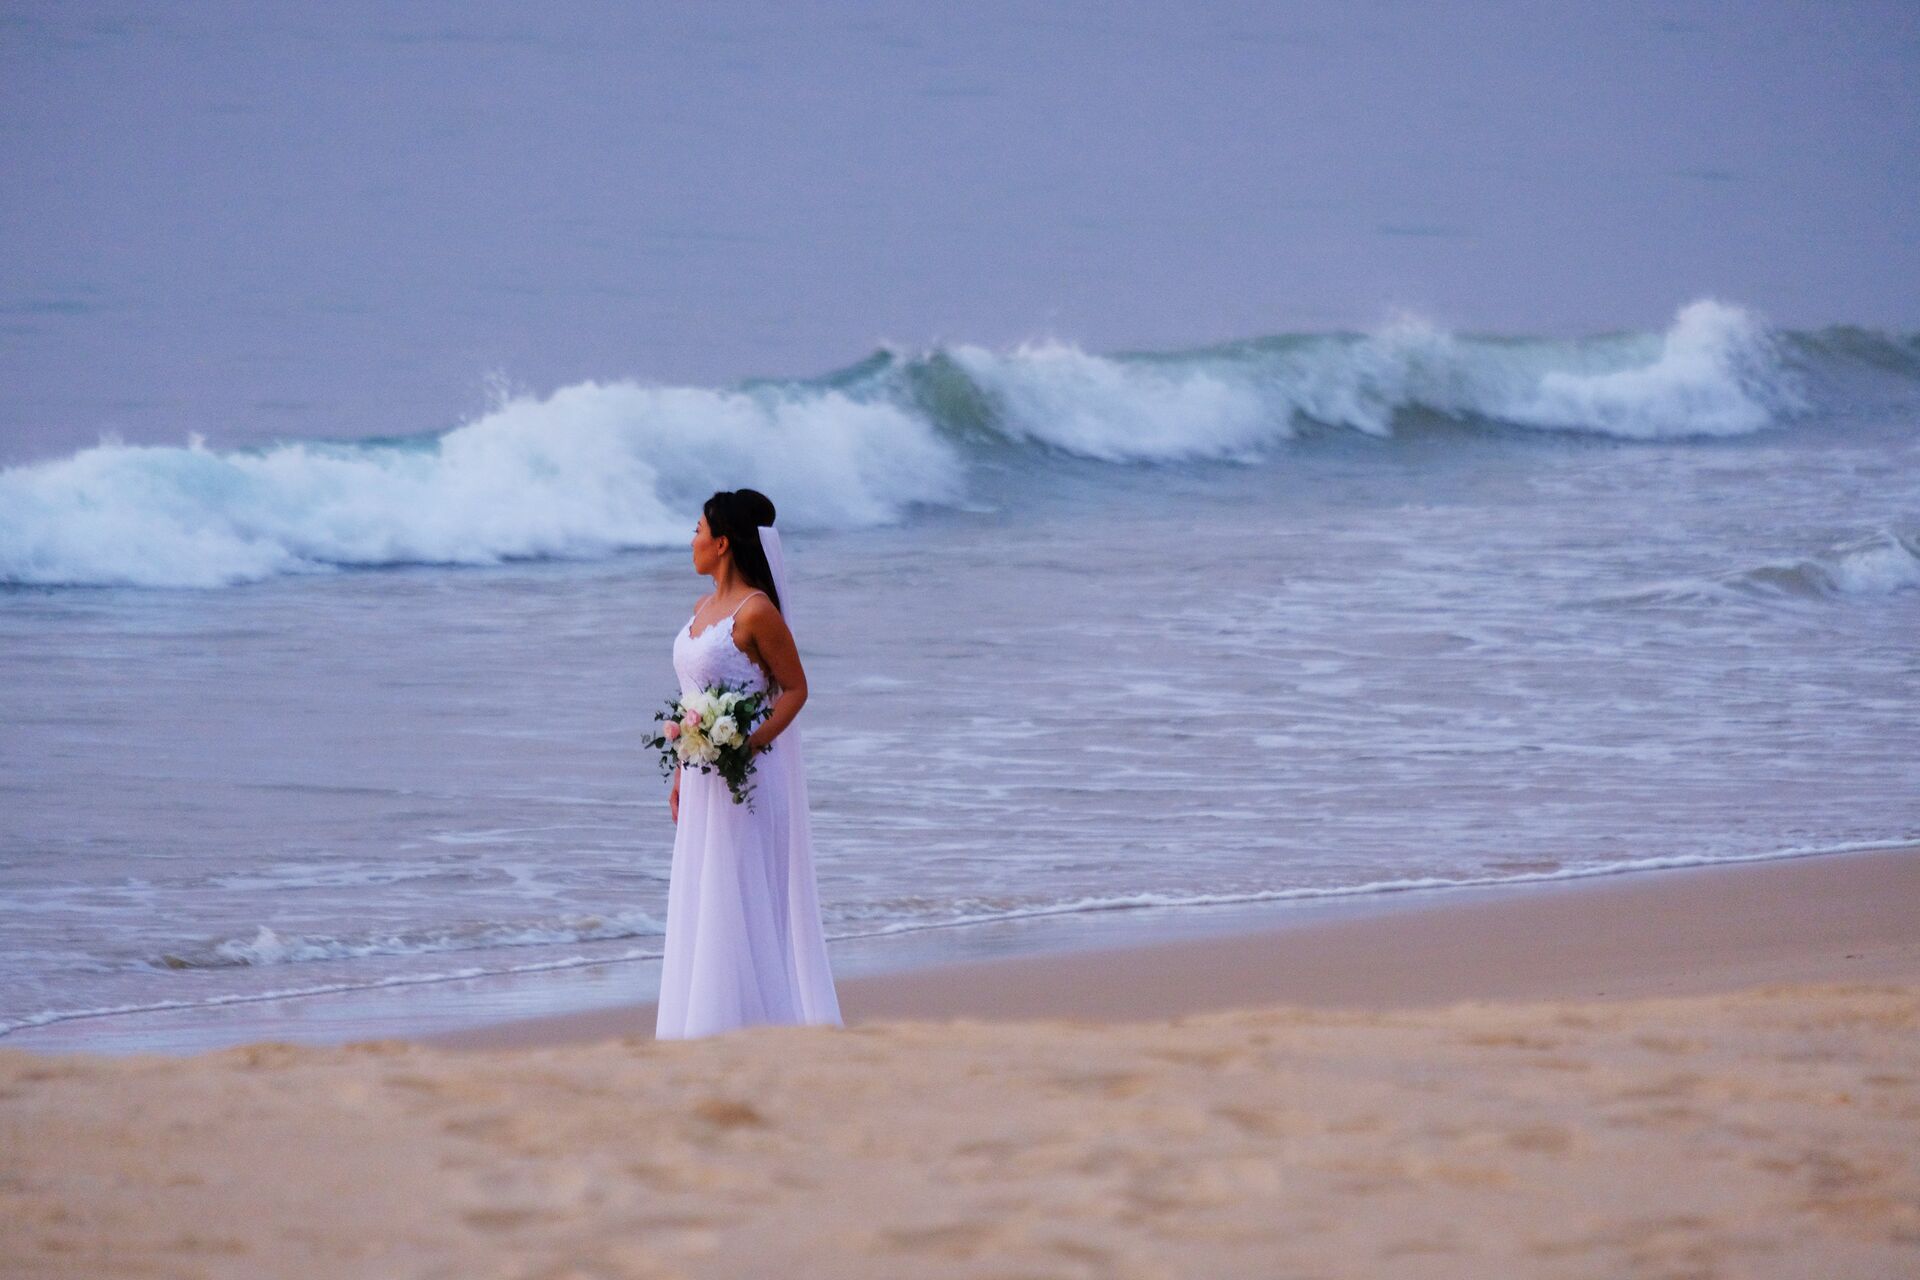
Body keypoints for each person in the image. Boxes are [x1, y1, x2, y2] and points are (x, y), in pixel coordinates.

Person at [653, 488, 844, 1039]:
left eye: (697, 530)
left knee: (742, 895)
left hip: (748, 779)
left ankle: (754, 1027)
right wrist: (682, 770)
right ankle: (703, 1022)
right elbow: (693, 699)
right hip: (703, 775)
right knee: (705, 892)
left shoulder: (757, 610)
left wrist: (749, 743)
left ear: (722, 543)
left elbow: (795, 688)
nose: (691, 541)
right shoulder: (699, 611)